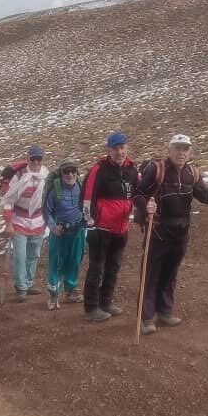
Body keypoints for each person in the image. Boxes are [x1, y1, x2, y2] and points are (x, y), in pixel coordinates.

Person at [132, 134, 208, 335]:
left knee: (170, 273)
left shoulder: (192, 173)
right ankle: (147, 317)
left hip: (181, 232)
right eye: (177, 148)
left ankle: (164, 311)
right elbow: (137, 193)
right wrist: (145, 205)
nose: (181, 153)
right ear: (170, 149)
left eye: (185, 149)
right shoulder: (157, 170)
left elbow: (206, 198)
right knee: (151, 274)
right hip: (157, 230)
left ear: (189, 152)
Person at [80, 132, 138, 322]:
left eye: (122, 148)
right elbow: (86, 198)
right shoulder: (99, 170)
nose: (119, 152)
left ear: (126, 148)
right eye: (115, 149)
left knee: (113, 267)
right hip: (101, 228)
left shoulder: (131, 169)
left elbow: (138, 193)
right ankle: (91, 308)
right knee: (97, 268)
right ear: (109, 150)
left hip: (121, 227)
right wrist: (90, 223)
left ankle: (106, 302)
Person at [0, 146, 49, 301]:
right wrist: (8, 223)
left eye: (38, 159)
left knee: (34, 254)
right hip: (19, 221)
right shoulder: (19, 177)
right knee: (21, 256)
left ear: (42, 160)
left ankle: (28, 282)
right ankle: (21, 286)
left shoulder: (45, 176)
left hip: (38, 221)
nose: (35, 162)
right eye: (33, 159)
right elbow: (8, 200)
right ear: (28, 159)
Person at [43, 159, 86, 310]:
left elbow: (86, 206)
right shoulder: (55, 189)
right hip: (60, 232)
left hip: (78, 230)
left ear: (76, 172)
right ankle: (53, 293)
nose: (70, 174)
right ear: (61, 174)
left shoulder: (80, 186)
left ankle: (70, 290)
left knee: (75, 260)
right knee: (57, 262)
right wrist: (53, 228)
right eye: (66, 172)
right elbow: (46, 212)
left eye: (73, 171)